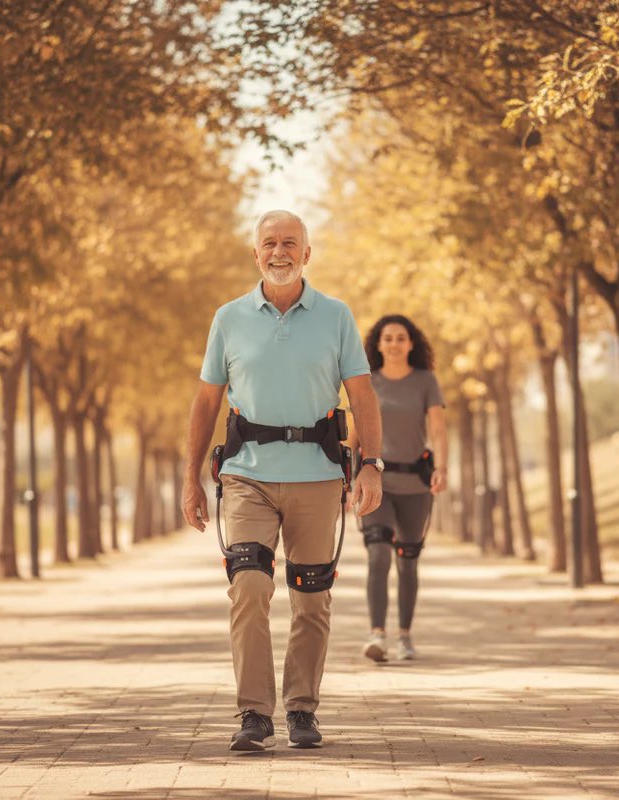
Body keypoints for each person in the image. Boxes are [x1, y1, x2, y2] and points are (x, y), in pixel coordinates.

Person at [181, 210, 383, 752]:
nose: (279, 252)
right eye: (269, 243)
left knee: (311, 599)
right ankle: (253, 713)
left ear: (307, 253)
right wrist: (191, 478)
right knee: (248, 587)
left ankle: (300, 709)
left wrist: (371, 464)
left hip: (318, 477)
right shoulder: (228, 318)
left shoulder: (336, 316)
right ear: (255, 254)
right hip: (246, 477)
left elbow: (362, 395)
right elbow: (206, 402)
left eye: (289, 242)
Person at [357, 314, 447, 663]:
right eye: (388, 338)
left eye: (400, 338)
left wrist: (441, 467)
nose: (394, 343)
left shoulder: (426, 381)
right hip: (376, 484)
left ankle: (405, 635)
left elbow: (438, 430)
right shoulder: (367, 382)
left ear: (411, 344)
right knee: (378, 555)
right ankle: (377, 634)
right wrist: (347, 476)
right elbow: (353, 435)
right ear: (378, 345)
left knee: (407, 563)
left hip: (416, 485)